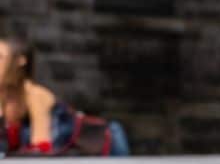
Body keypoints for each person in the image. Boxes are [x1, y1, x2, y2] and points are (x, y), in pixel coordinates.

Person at [0, 28, 132, 156]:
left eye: (0, 57)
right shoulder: (4, 96)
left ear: (20, 61)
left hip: (103, 144)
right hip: (72, 159)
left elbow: (40, 148)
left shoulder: (35, 95)